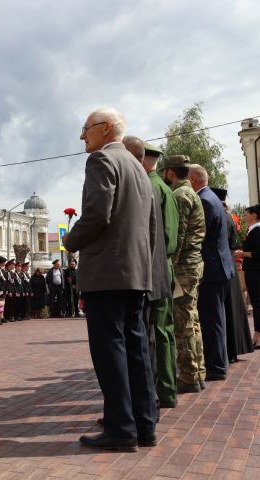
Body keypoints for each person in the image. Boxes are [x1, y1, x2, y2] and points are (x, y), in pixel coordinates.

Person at [64, 107, 157, 452]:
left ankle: (120, 429)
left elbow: (97, 215)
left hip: (107, 273)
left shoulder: (102, 161)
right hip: (136, 273)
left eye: (86, 128)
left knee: (111, 351)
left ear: (104, 129)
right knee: (137, 350)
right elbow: (149, 227)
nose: (81, 135)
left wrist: (69, 240)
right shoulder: (137, 166)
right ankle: (144, 426)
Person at [124, 136, 178, 409]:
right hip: (165, 267)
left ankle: (155, 393)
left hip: (151, 268)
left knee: (151, 335)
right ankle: (168, 389)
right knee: (165, 331)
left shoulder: (147, 186)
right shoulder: (166, 188)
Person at [160, 155, 207, 393]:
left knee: (184, 323)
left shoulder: (180, 195)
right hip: (193, 263)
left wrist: (171, 269)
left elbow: (177, 237)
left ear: (170, 172)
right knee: (192, 321)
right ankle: (197, 372)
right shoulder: (192, 193)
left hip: (184, 267)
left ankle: (189, 376)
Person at [189, 164, 234, 381]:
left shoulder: (204, 200)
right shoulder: (213, 198)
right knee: (215, 318)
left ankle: (216, 367)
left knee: (212, 319)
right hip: (219, 267)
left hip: (212, 269)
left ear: (193, 180)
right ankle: (218, 363)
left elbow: (201, 235)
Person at [222, 198, 253, 360]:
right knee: (233, 308)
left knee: (227, 309)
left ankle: (230, 350)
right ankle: (235, 348)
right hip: (230, 263)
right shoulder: (230, 218)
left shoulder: (223, 217)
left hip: (223, 263)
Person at [235, 204, 260, 349]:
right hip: (253, 271)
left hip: (255, 272)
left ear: (254, 215)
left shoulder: (256, 231)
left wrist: (241, 254)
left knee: (257, 303)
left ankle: (258, 336)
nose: (243, 217)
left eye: (246, 214)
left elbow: (258, 254)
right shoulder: (253, 230)